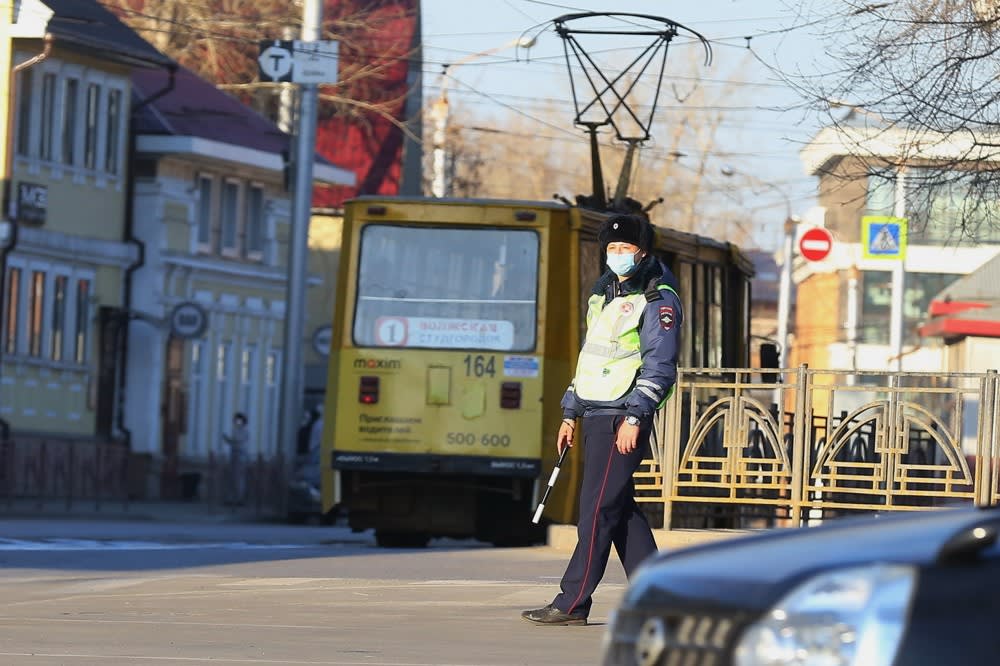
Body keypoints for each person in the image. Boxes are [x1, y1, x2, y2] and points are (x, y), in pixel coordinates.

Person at [521, 213, 683, 626]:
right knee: (620, 510)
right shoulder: (603, 294)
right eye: (611, 247)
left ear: (642, 251)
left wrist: (636, 416)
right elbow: (592, 359)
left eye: (625, 247)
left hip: (621, 417)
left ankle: (572, 602)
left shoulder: (657, 297)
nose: (617, 254)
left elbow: (660, 365)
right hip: (595, 412)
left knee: (596, 511)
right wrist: (570, 412)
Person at [222, 412, 250, 505]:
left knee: (239, 478)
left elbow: (238, 441)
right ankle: (232, 498)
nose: (236, 421)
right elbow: (234, 442)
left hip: (241, 455)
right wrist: (227, 440)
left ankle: (239, 499)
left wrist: (229, 440)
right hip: (234, 454)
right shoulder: (235, 430)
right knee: (232, 477)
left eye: (238, 420)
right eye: (235, 420)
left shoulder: (244, 430)